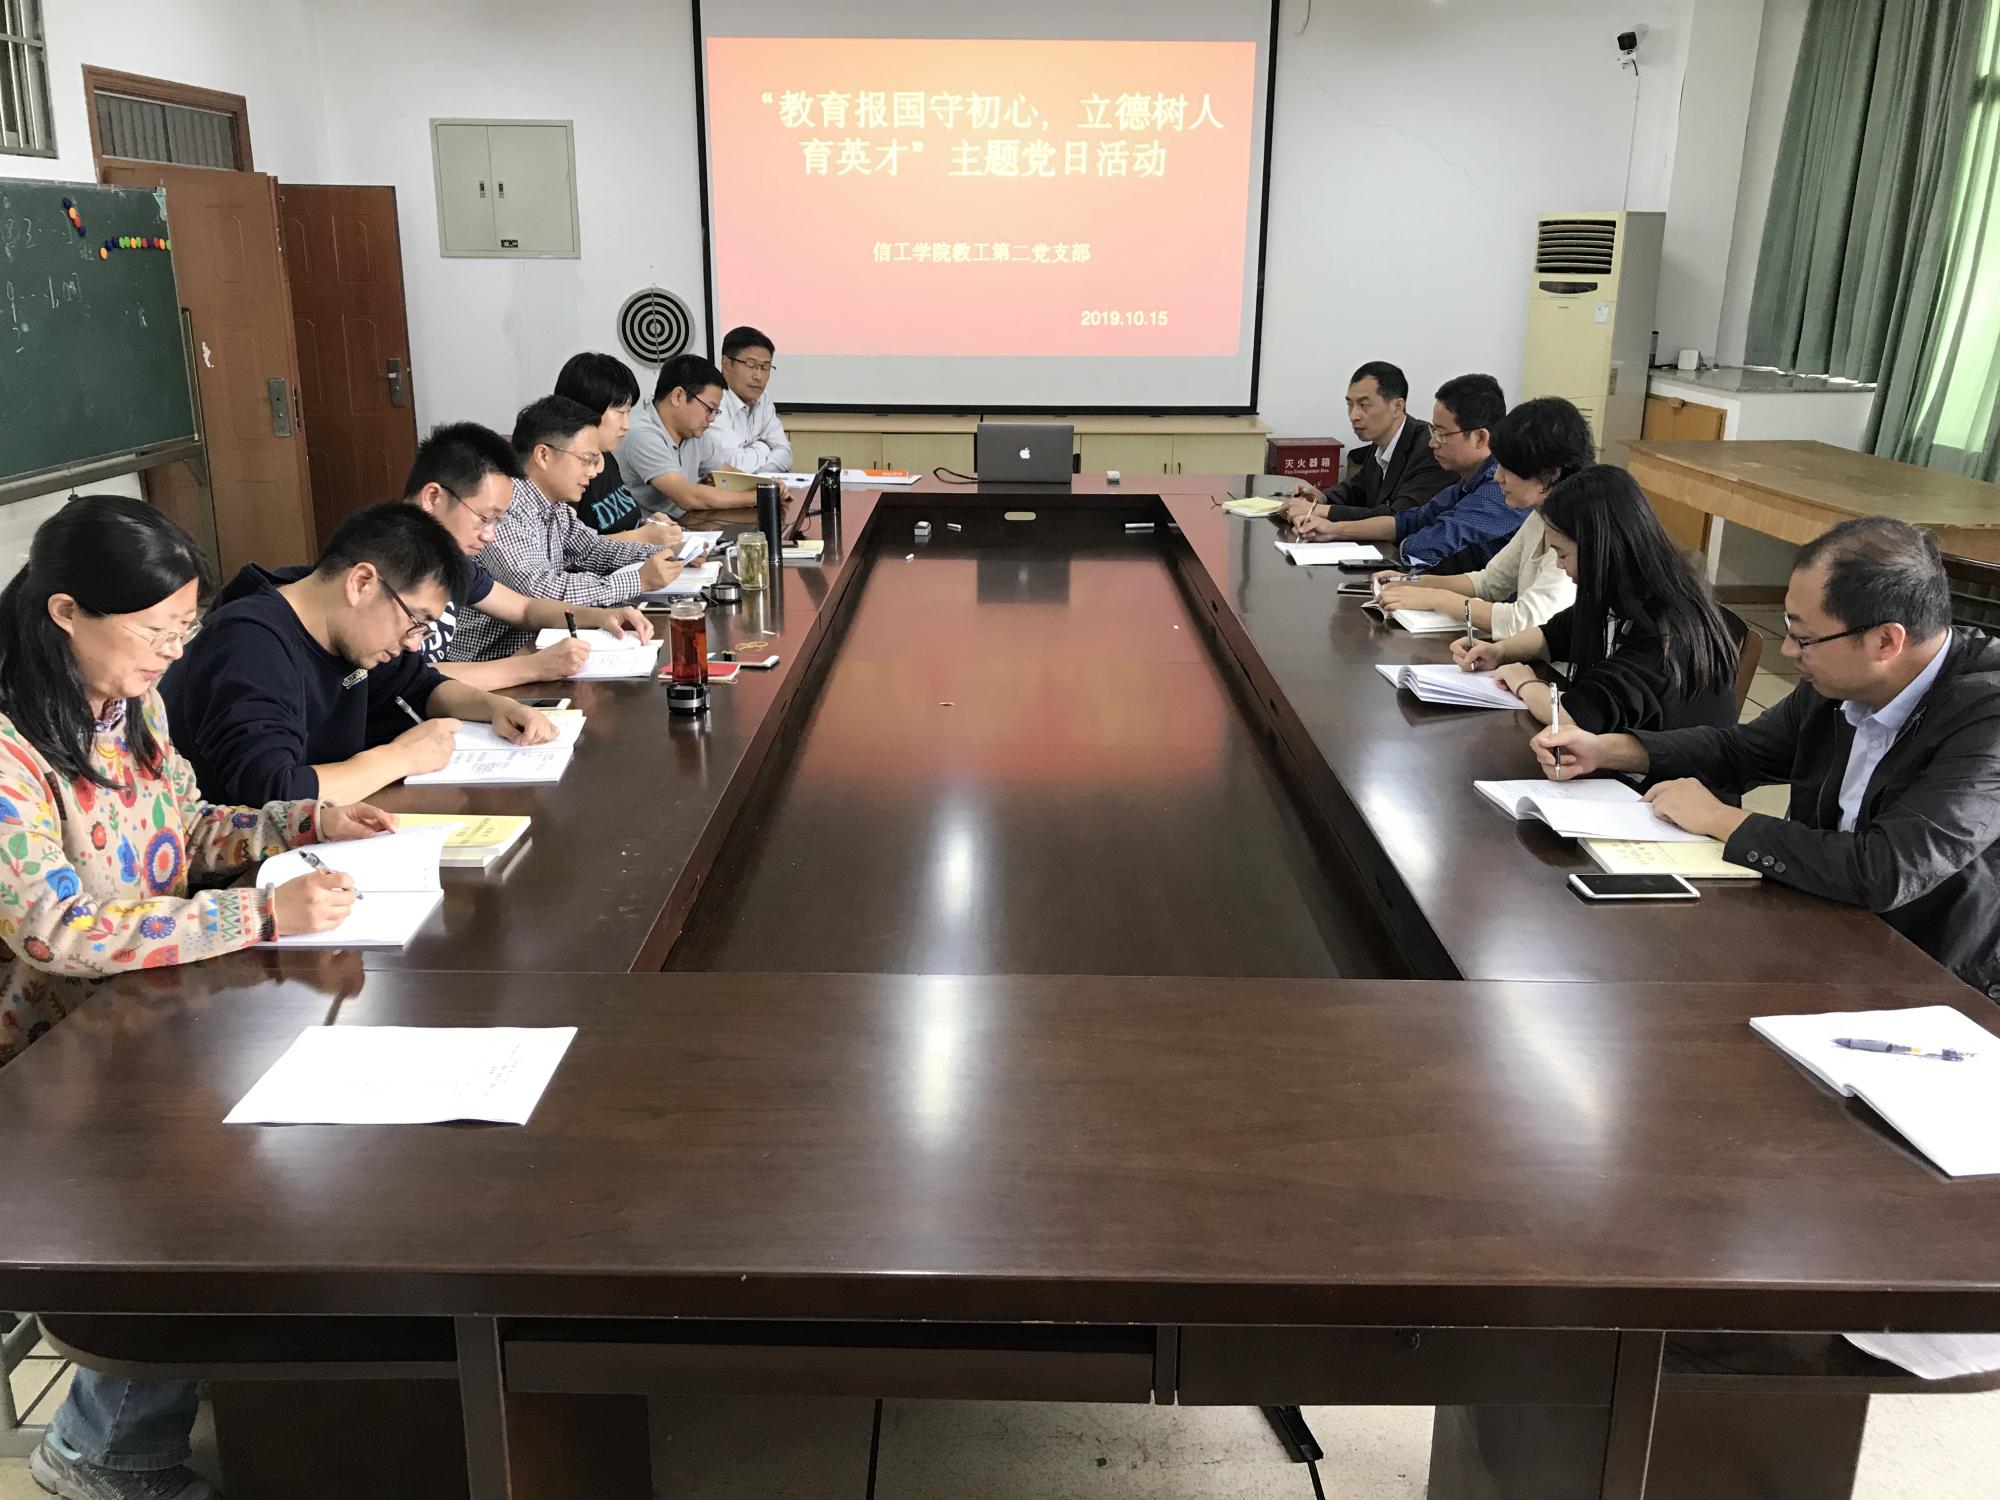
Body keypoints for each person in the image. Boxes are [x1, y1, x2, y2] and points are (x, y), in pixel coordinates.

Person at [0, 496, 393, 1500]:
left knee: (271, 1140)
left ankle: (275, 1392)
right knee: (203, 1183)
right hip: (44, 1051)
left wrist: (302, 822)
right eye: (156, 632)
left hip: (146, 1005)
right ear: (65, 613)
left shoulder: (132, 703)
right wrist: (255, 915)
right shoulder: (10, 749)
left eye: (185, 630)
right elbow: (57, 931)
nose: (173, 655)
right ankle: (101, 1450)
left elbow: (186, 830)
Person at [1533, 516, 2000, 994]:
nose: (1790, 650)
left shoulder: (1987, 714)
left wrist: (1721, 819)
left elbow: (1887, 868)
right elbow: (1740, 750)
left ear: (1886, 641)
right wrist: (1606, 750)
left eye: (1805, 637)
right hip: (1824, 919)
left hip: (1935, 974)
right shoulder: (1841, 680)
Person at [163, 503, 556, 807]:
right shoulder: (249, 644)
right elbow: (272, 793)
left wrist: (494, 707)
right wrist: (399, 758)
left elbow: (419, 684)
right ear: (362, 582)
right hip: (244, 868)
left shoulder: (339, 621)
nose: (414, 643)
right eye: (416, 620)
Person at [1452, 465, 1739, 733]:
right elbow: (1556, 634)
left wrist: (1524, 682)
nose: (1559, 565)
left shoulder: (1662, 623)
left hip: (1673, 768)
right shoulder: (1625, 589)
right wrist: (1499, 652)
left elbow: (1574, 716)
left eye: (1563, 553)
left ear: (1599, 549)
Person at [401, 420, 656, 689]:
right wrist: (532, 667)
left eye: (497, 521)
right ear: (433, 498)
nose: (489, 535)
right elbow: (407, 679)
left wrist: (599, 616)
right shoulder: (388, 568)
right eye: (485, 518)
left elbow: (524, 608)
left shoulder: (448, 558)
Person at [458, 396, 688, 661]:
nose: (593, 472)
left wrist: (668, 553)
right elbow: (539, 591)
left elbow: (594, 550)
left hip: (539, 644)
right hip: (492, 657)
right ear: (543, 455)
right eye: (586, 460)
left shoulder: (553, 505)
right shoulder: (506, 506)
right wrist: (638, 580)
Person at [1373, 397, 1595, 636]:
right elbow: (1488, 583)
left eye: (1508, 468)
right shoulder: (1540, 517)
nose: (1498, 477)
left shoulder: (1577, 531)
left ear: (1549, 474)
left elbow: (1526, 621)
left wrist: (1436, 598)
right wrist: (1414, 583)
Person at [1291, 374, 1521, 572]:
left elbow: (1438, 539)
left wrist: (1397, 552)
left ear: (1480, 437)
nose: (1432, 443)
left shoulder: (1502, 487)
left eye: (1442, 434)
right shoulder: (1467, 482)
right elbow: (1410, 520)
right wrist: (1333, 530)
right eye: (1433, 431)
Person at [1281, 361, 1451, 524]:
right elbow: (1357, 489)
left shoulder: (1430, 448)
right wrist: (1322, 497)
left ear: (1397, 407)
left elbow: (1398, 518)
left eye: (1364, 405)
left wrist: (1319, 511)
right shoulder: (1380, 440)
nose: (1353, 415)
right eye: (1350, 405)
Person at [553, 352, 682, 544]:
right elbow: (566, 550)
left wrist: (650, 526)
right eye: (620, 413)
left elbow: (623, 526)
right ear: (588, 410)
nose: (626, 425)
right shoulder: (566, 473)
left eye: (628, 413)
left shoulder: (607, 457)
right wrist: (642, 537)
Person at [617, 353, 743, 515]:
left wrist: (765, 486)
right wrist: (758, 497)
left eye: (715, 412)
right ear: (678, 396)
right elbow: (688, 497)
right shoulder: (642, 434)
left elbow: (725, 473)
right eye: (709, 409)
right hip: (651, 528)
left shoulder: (693, 432)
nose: (711, 419)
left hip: (688, 522)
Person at [701, 325, 793, 476]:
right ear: (726, 365)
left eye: (765, 367)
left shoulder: (762, 398)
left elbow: (785, 452)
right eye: (751, 365)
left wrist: (760, 476)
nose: (758, 376)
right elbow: (733, 465)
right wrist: (763, 447)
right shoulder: (713, 402)